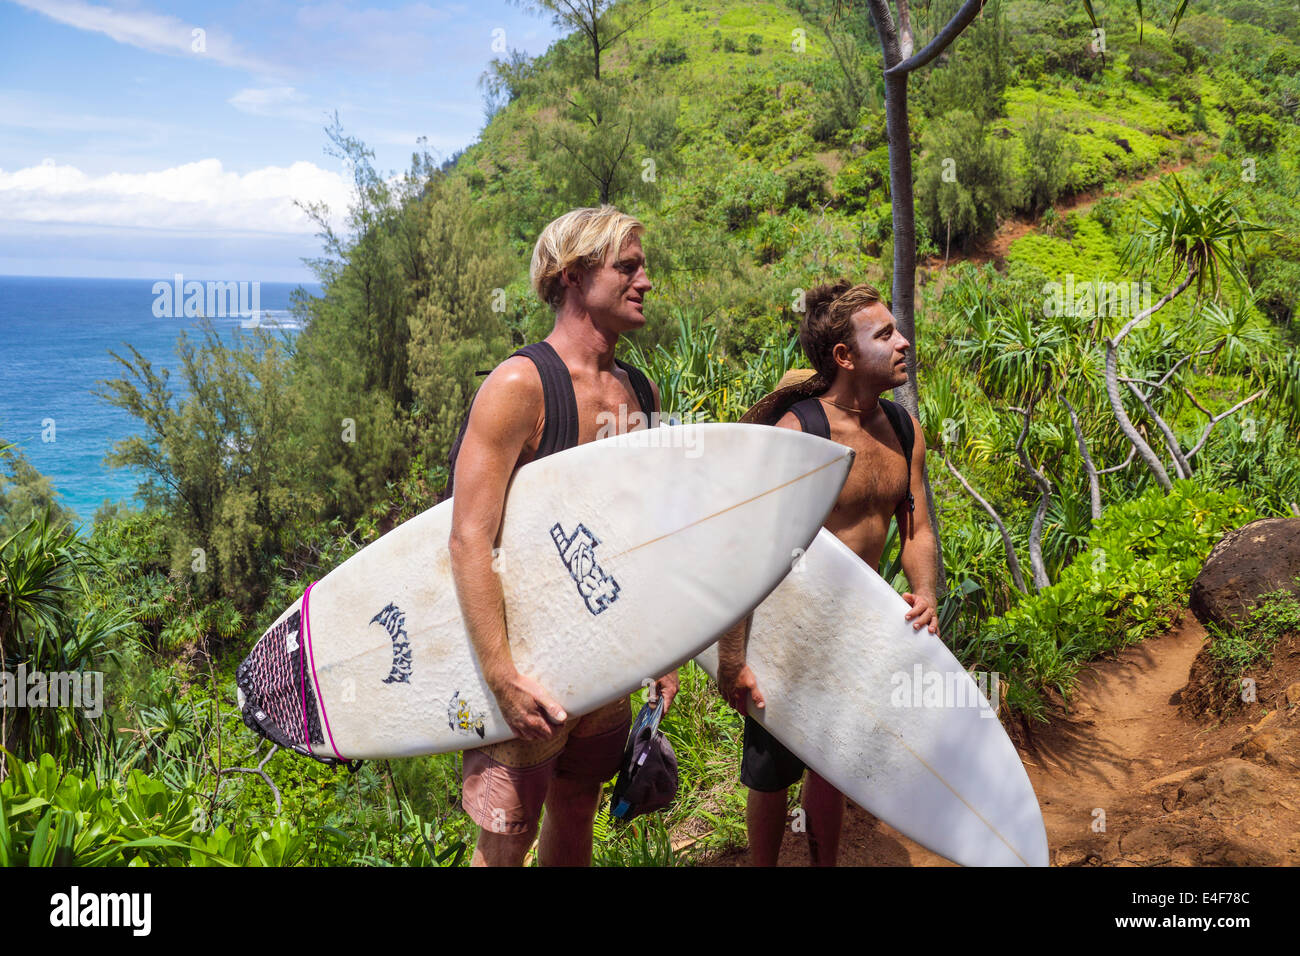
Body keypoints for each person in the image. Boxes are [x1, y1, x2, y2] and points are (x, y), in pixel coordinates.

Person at [447, 205, 679, 867]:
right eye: (627, 267)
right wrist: (501, 677)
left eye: (643, 267)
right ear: (575, 275)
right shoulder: (520, 386)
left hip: (603, 659)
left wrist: (664, 646)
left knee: (578, 809)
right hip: (524, 663)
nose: (645, 281)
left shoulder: (639, 390)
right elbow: (469, 538)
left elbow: (642, 533)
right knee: (506, 832)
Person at [716, 279, 940, 867]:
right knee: (770, 775)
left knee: (836, 763)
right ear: (844, 356)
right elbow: (748, 549)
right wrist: (734, 657)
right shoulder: (801, 434)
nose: (904, 342)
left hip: (858, 629)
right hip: (786, 635)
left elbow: (916, 527)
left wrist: (924, 591)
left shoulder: (904, 428)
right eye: (886, 334)